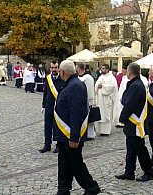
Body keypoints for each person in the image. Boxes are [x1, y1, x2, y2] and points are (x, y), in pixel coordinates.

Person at [53, 60, 100, 195]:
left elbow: (76, 113)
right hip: (64, 134)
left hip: (70, 134)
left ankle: (91, 187)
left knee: (76, 164)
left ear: (63, 72)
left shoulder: (75, 86)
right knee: (64, 164)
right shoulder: (70, 84)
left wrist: (74, 136)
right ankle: (63, 189)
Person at [115, 63, 153, 182]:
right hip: (131, 123)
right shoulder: (134, 84)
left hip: (135, 122)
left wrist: (122, 118)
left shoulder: (136, 86)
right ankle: (129, 172)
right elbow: (125, 99)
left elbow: (129, 104)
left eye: (127, 71)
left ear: (129, 72)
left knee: (140, 148)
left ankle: (149, 172)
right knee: (131, 149)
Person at [39, 61, 64, 153]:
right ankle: (47, 145)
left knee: (58, 126)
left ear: (58, 68)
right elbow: (45, 93)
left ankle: (58, 144)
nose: (54, 69)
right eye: (52, 68)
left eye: (55, 67)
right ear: (50, 69)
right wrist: (43, 105)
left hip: (59, 107)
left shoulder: (62, 79)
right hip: (49, 106)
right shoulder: (48, 78)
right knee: (47, 126)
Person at [94, 64, 119, 135]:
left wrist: (103, 86)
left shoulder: (111, 78)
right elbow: (96, 85)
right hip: (100, 99)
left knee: (106, 115)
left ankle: (106, 131)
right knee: (100, 114)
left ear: (107, 69)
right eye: (101, 68)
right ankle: (100, 130)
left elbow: (113, 87)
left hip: (106, 99)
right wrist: (97, 86)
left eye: (103, 68)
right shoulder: (100, 77)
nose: (102, 69)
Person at [76, 63, 96, 139]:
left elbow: (89, 90)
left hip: (86, 101)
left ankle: (89, 134)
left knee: (88, 119)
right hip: (83, 101)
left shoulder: (87, 78)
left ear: (78, 68)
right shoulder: (80, 77)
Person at [115, 61, 131, 128]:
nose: (122, 71)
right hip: (120, 94)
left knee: (122, 108)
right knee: (119, 108)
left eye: (123, 70)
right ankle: (119, 121)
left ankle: (123, 122)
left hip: (124, 96)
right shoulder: (123, 77)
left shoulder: (128, 79)